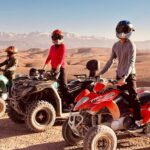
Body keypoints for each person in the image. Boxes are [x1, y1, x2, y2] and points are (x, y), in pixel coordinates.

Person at [97, 20, 142, 132]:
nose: (122, 32)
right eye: (121, 29)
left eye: (125, 30)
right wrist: (101, 73)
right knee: (118, 98)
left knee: (134, 98)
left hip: (129, 76)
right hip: (119, 76)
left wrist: (125, 77)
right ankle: (123, 120)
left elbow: (131, 62)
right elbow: (110, 61)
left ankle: (138, 121)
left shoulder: (131, 45)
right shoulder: (115, 45)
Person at [43, 29, 73, 109]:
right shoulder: (52, 47)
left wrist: (59, 66)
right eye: (55, 37)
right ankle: (56, 103)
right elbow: (49, 57)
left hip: (61, 69)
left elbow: (62, 57)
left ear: (62, 38)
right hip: (53, 69)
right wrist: (44, 66)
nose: (57, 39)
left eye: (59, 37)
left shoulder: (63, 46)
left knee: (63, 86)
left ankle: (71, 104)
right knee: (52, 86)